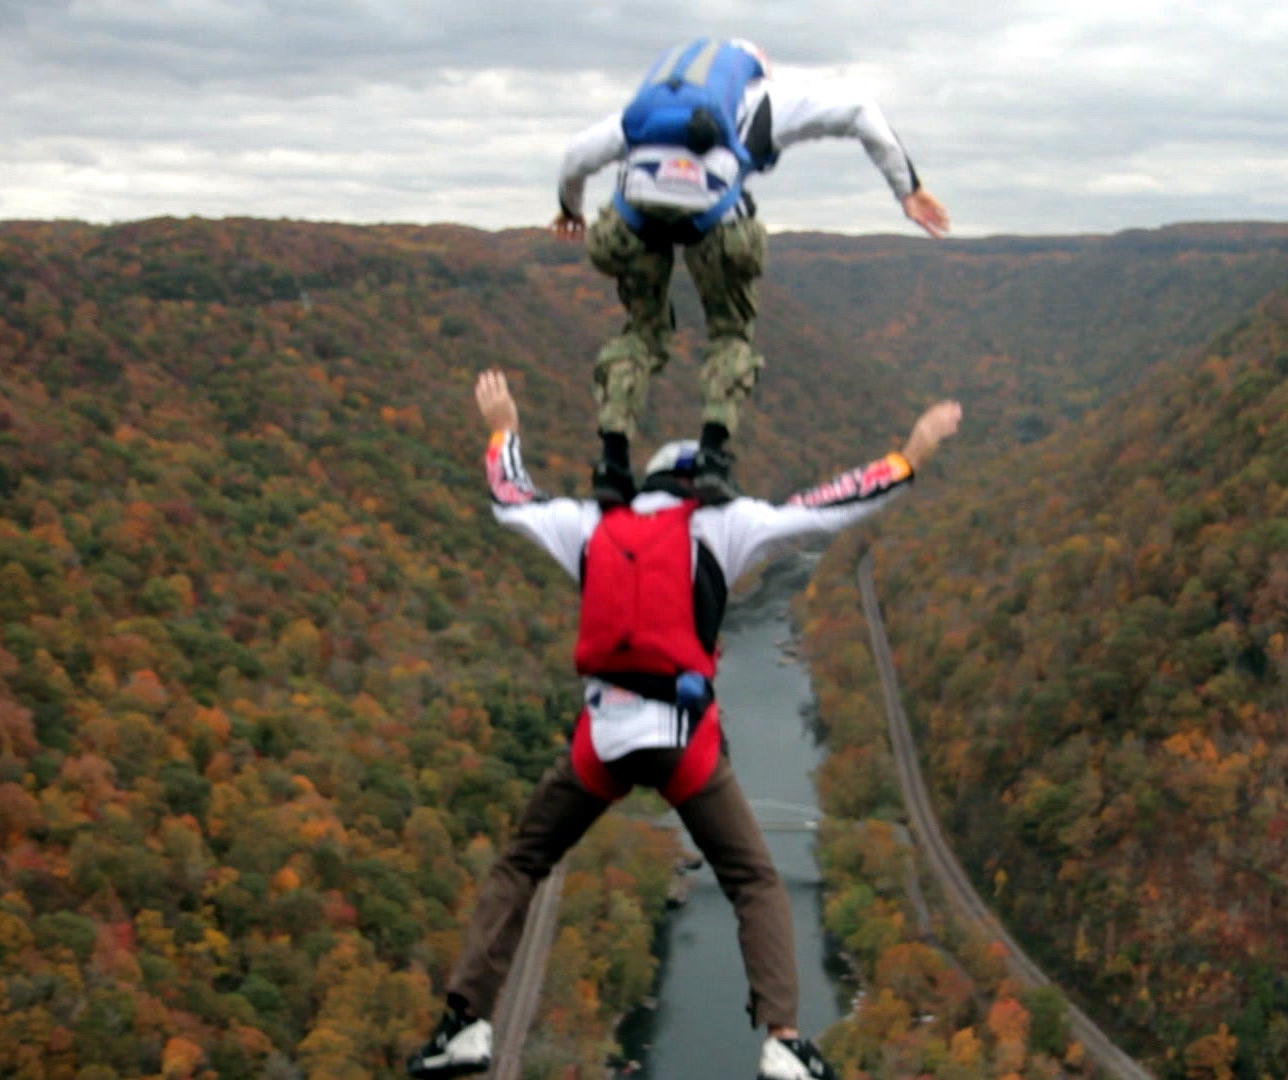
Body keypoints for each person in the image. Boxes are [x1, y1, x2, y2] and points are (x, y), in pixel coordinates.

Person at [406, 369, 962, 1080]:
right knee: (755, 879)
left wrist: (503, 429)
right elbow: (824, 508)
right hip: (682, 744)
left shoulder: (590, 524)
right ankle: (783, 1039)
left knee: (523, 860)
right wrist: (912, 454)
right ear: (702, 484)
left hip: (602, 742)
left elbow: (511, 500)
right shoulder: (724, 526)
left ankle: (466, 1023)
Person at [552, 37, 951, 507]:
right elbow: (859, 111)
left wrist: (569, 208)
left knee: (640, 334)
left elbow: (576, 155)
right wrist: (909, 189)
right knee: (729, 336)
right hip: (716, 221)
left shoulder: (649, 113)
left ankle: (612, 464)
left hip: (632, 220)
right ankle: (714, 459)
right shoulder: (763, 101)